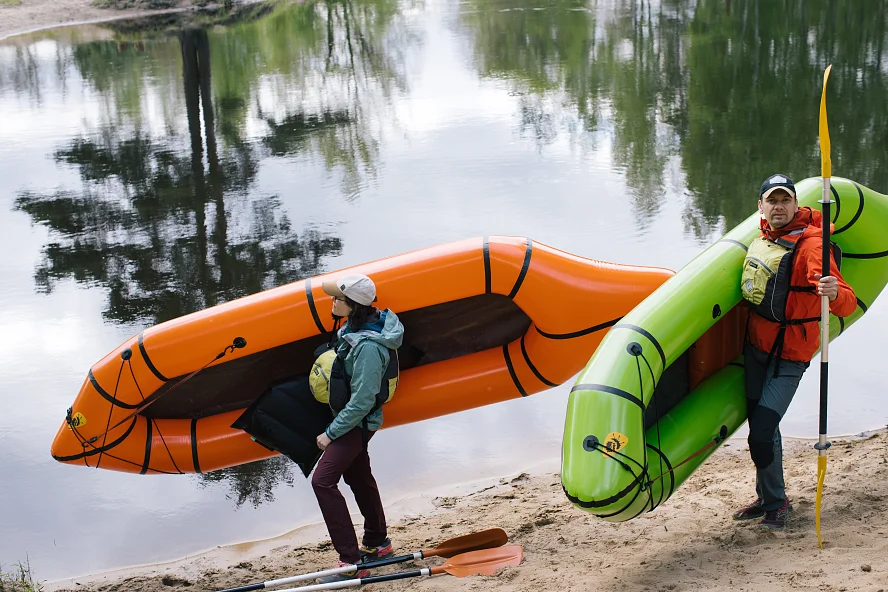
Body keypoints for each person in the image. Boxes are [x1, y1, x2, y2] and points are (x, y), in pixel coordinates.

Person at [733, 174, 856, 529]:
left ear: (796, 204)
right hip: (757, 347)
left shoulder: (812, 246)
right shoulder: (764, 236)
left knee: (761, 431)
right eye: (772, 200)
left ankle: (779, 503)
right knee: (763, 428)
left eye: (785, 200)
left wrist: (833, 291)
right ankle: (768, 498)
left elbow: (845, 302)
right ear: (761, 206)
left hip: (791, 356)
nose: (779, 207)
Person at [312, 273, 404, 583]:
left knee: (323, 482)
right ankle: (378, 543)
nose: (333, 302)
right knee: (359, 477)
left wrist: (331, 433)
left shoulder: (368, 347)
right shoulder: (354, 330)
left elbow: (364, 400)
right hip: (354, 423)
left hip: (356, 424)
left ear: (353, 305)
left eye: (337, 299)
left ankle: (351, 562)